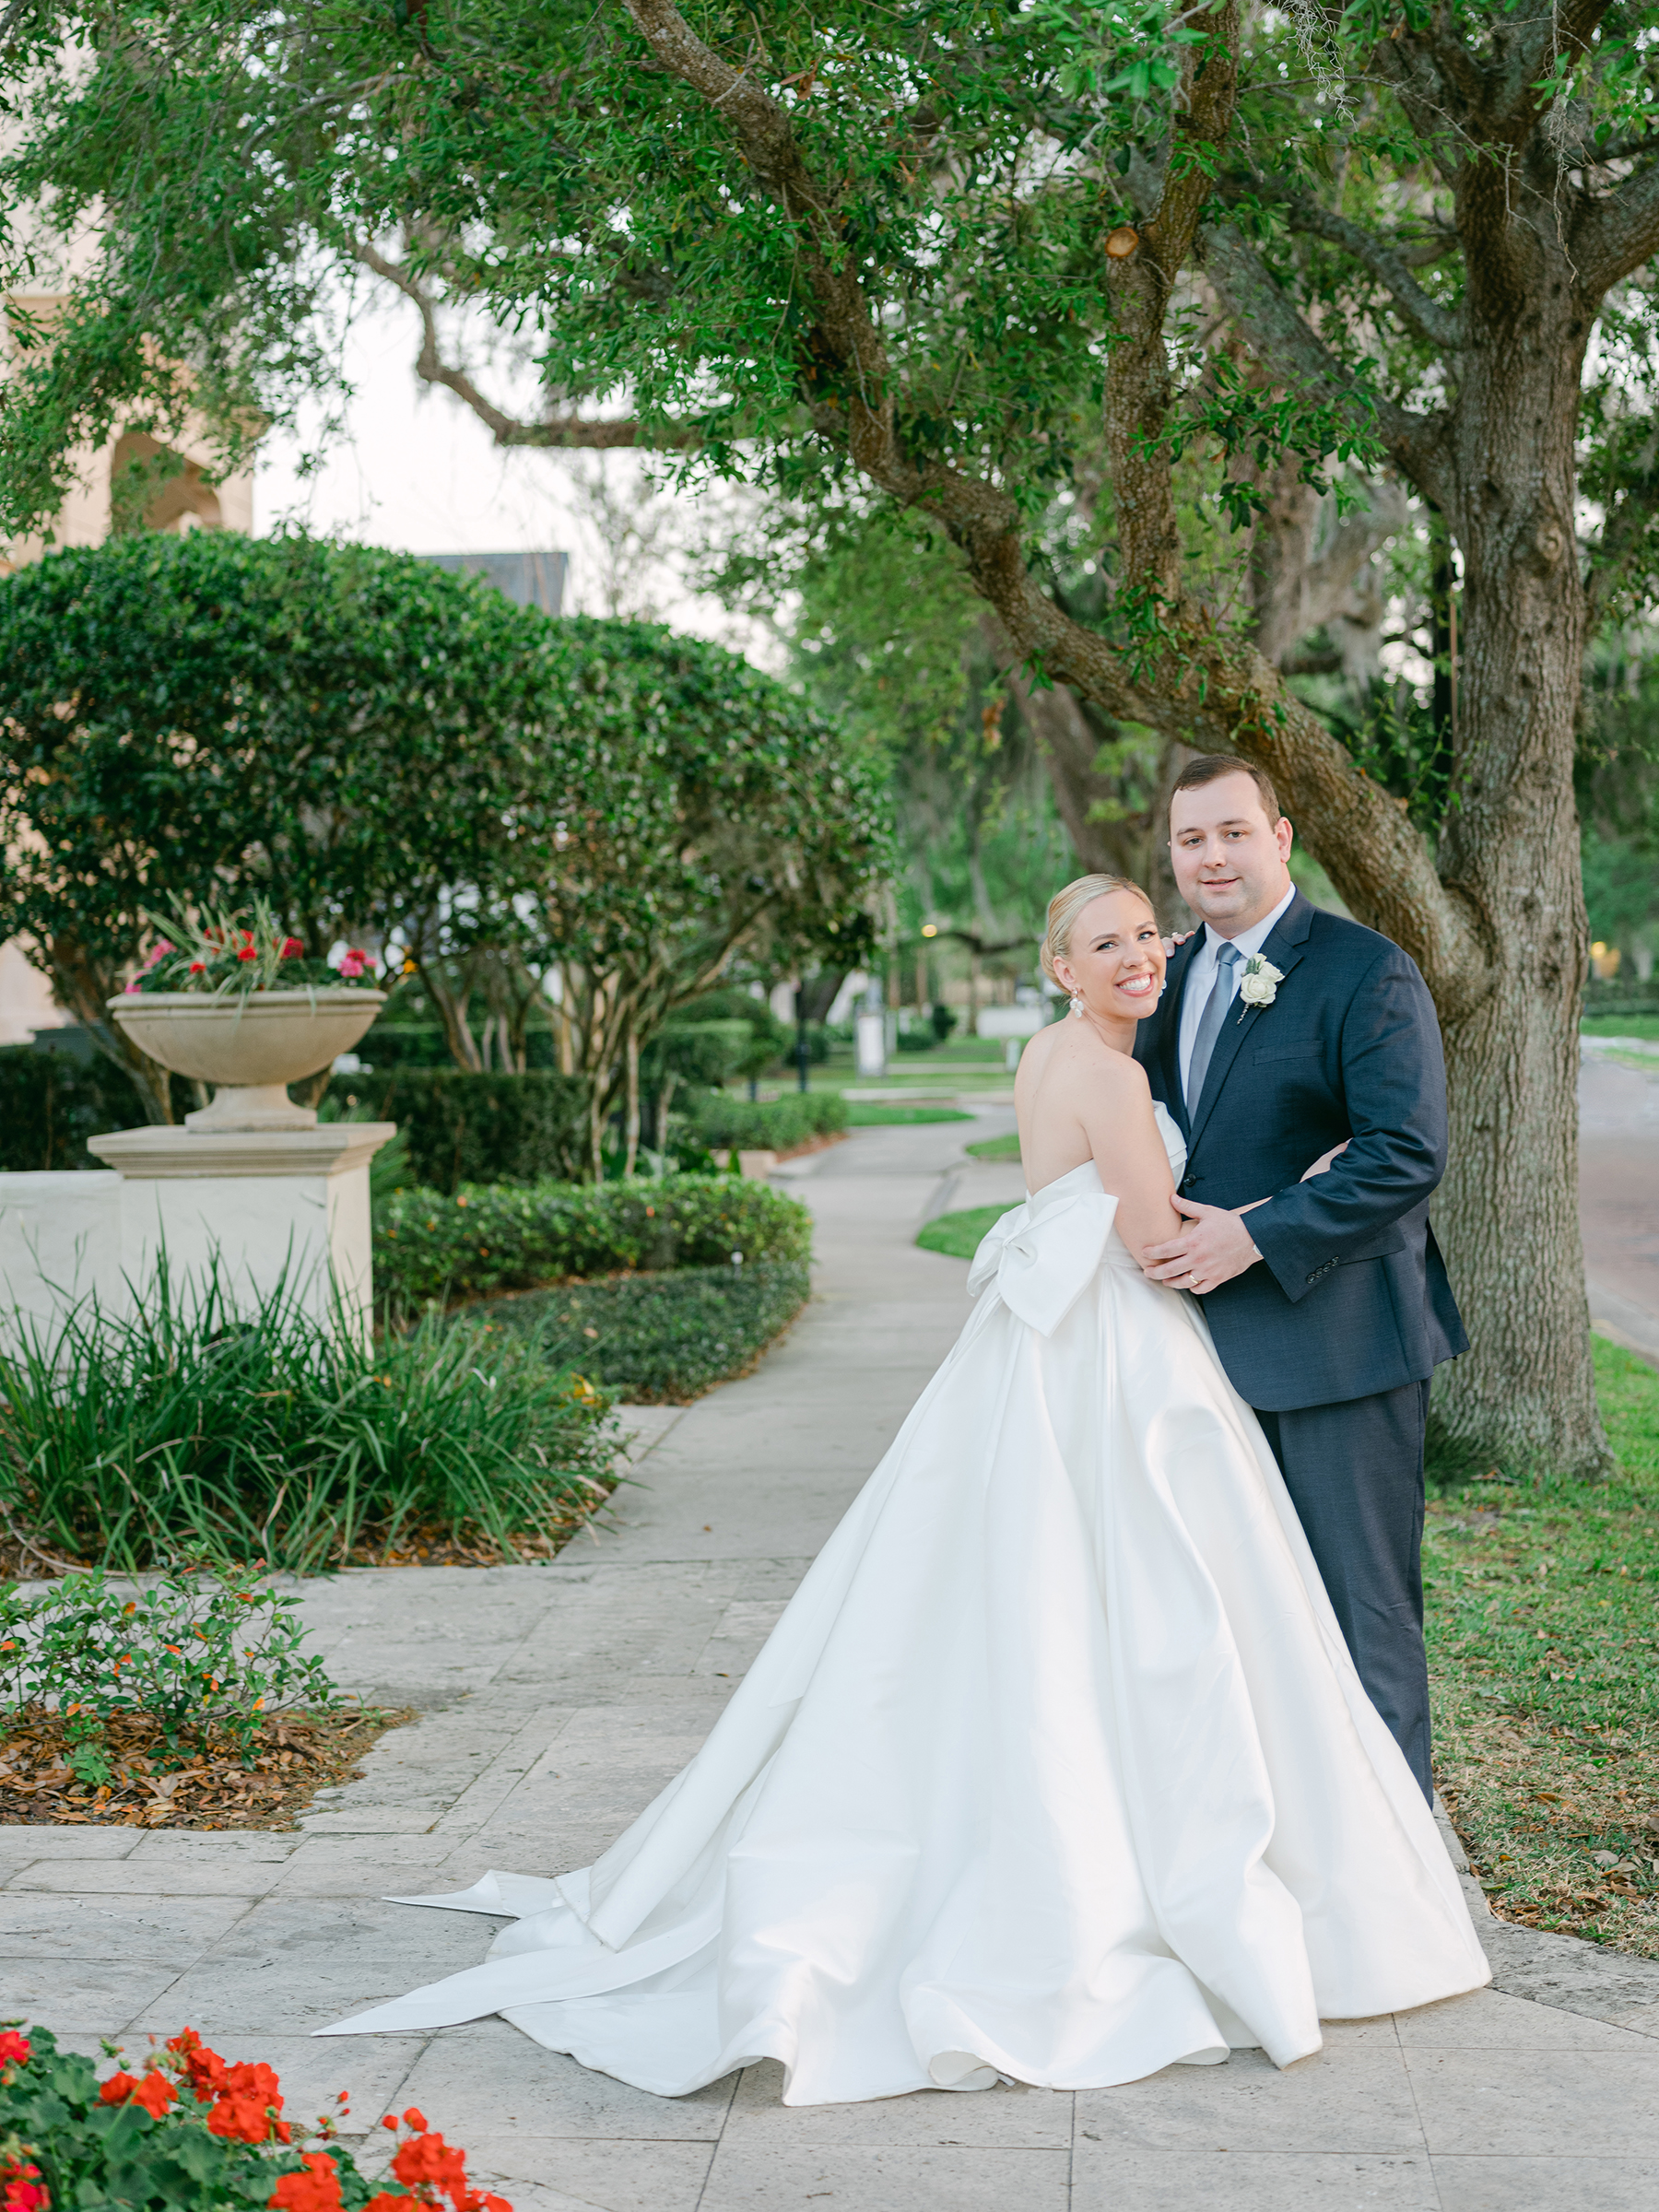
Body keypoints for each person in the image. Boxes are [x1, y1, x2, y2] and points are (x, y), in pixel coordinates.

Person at [319, 875, 1488, 2106]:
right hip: (1120, 1358)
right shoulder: (1116, 1078)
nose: (1142, 955)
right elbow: (1157, 1244)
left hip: (1041, 1347)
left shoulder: (1045, 1057)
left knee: (1020, 1608)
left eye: (1149, 933)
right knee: (1156, 1616)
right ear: (1061, 966)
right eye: (1110, 942)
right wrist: (1264, 1216)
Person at [1133, 755, 1466, 1803]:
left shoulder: (1366, 970)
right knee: (1240, 1623)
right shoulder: (1169, 978)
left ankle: (1397, 1874)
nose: (1212, 855)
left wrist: (1259, 1232)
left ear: (1281, 838)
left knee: (1362, 1614)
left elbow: (1405, 1151)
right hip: (1197, 1357)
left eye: (1233, 831)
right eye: (1192, 840)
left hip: (1339, 1346)